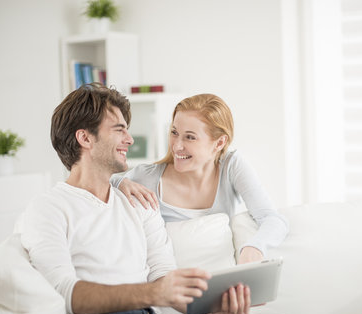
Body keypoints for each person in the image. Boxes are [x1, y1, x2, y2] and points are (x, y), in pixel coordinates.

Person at [21, 83, 306, 314]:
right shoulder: (49, 207)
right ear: (85, 138)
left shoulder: (140, 203)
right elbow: (65, 292)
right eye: (119, 130)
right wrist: (154, 292)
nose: (130, 140)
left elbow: (163, 273)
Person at [111, 93, 288, 264]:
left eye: (190, 137)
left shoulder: (231, 166)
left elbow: (272, 219)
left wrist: (253, 248)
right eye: (174, 132)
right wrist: (119, 182)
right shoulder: (147, 177)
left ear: (219, 143)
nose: (177, 146)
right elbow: (88, 184)